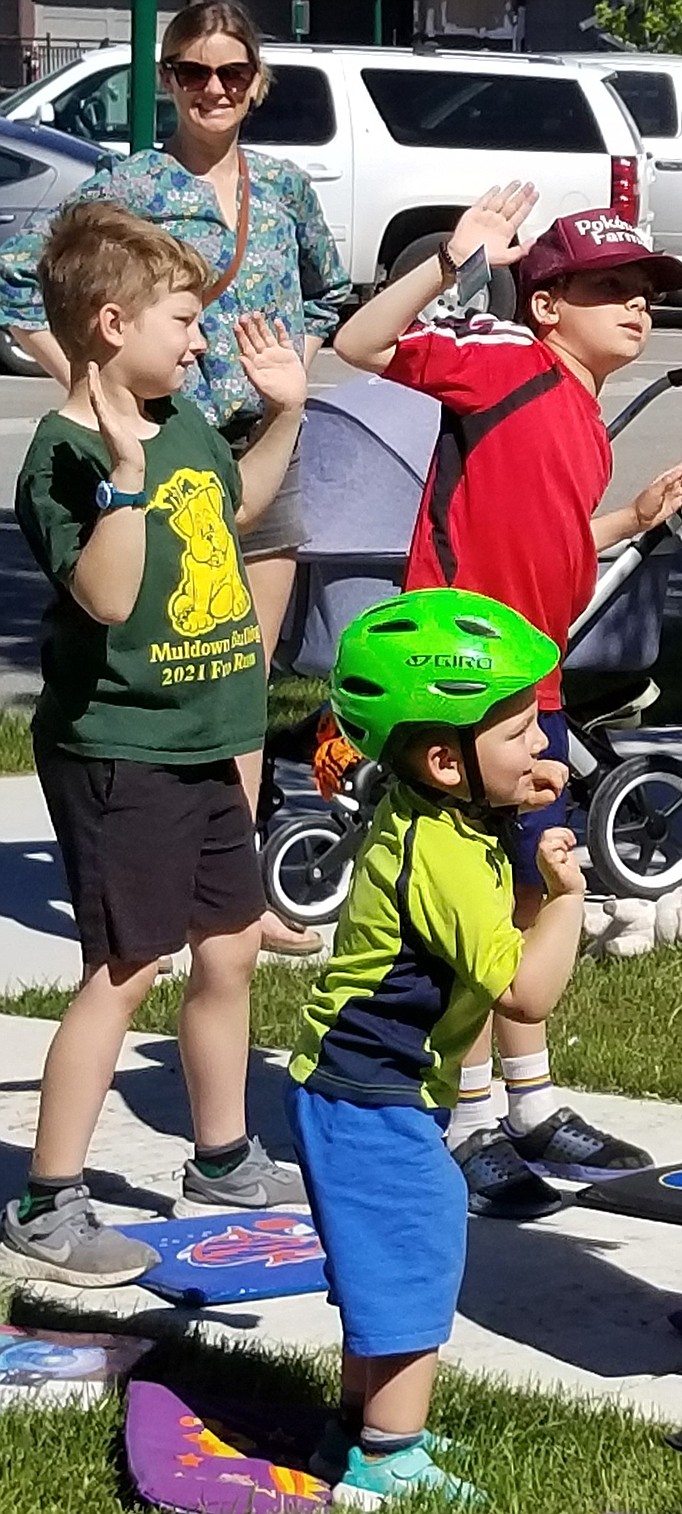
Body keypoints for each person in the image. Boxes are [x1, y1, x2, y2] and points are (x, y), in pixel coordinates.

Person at [334, 188, 682, 1218]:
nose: (637, 307)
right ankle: (462, 1121)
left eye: (645, 292)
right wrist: (454, 260)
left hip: (529, 693)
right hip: (460, 694)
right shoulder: (503, 359)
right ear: (547, 304)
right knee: (473, 905)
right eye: (609, 288)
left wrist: (631, 516)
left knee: (537, 888)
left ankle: (532, 1106)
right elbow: (363, 343)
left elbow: (547, 536)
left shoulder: (584, 416)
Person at [0, 0, 351, 957]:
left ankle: (229, 894)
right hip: (156, 457)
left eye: (231, 72)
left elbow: (328, 284)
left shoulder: (279, 188)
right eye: (193, 72)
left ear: (256, 81)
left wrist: (294, 365)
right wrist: (80, 376)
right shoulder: (128, 184)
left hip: (259, 453)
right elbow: (18, 278)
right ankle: (150, 884)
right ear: (169, 79)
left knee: (238, 675)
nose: (212, 89)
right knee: (157, 661)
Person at [0, 202, 308, 1288]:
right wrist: (124, 479)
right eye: (184, 319)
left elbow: (232, 509)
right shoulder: (69, 455)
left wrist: (283, 418)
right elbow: (109, 589)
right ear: (111, 320)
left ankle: (223, 1158)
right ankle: (49, 1200)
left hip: (201, 738)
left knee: (229, 949)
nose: (201, 340)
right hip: (121, 748)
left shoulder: (179, 419)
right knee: (126, 970)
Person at [287, 588, 585, 1507]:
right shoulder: (447, 856)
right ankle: (387, 1458)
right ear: (446, 760)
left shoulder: (444, 818)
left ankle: (359, 1423)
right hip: (370, 1091)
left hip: (361, 1083)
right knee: (415, 1259)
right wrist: (570, 894)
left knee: (385, 1258)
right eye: (520, 734)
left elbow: (486, 884)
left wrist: (518, 809)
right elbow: (527, 994)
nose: (544, 748)